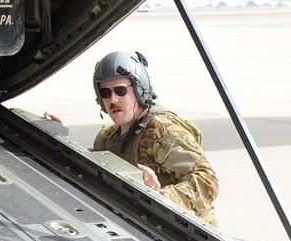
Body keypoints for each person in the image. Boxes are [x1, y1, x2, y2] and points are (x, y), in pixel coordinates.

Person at [87, 50, 219, 223]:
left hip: (183, 231)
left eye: (120, 91)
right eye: (106, 93)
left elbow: (207, 180)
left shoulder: (162, 131)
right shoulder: (107, 138)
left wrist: (159, 197)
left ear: (139, 90)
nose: (113, 100)